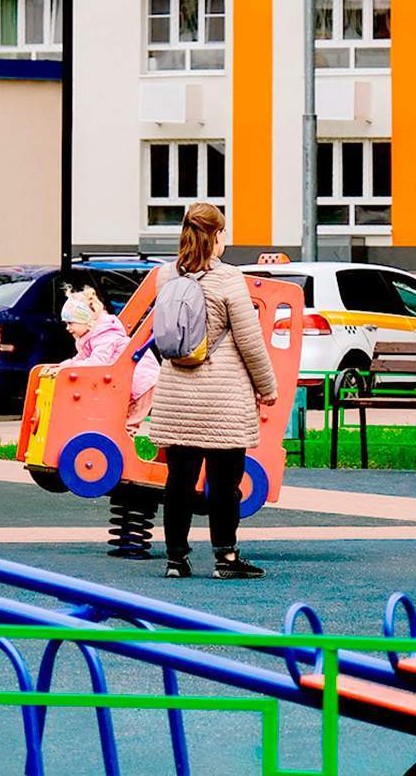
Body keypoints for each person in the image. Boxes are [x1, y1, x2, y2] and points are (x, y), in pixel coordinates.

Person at [147, 203, 277, 580]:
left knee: (178, 482)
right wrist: (267, 387)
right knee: (224, 484)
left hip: (175, 395)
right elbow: (249, 340)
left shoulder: (166, 276)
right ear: (216, 235)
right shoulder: (228, 278)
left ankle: (176, 559)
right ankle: (226, 558)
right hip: (222, 397)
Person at [56, 286, 160, 435]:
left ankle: (123, 444)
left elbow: (98, 362)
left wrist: (70, 367)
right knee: (118, 421)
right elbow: (81, 359)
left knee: (128, 423)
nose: (67, 328)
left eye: (70, 323)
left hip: (142, 382)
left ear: (87, 321)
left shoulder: (106, 336)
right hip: (126, 382)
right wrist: (63, 366)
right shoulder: (89, 337)